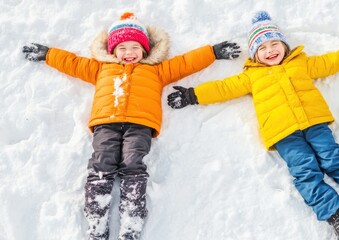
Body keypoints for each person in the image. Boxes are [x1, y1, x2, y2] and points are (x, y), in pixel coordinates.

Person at [167, 11, 339, 240]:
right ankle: (337, 218)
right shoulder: (251, 76)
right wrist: (192, 95)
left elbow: (331, 61)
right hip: (283, 134)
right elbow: (223, 88)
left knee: (334, 160)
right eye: (262, 48)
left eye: (274, 43)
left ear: (284, 45)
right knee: (305, 172)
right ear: (255, 55)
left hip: (314, 123)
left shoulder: (300, 63)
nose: (269, 50)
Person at [22, 12, 240, 240]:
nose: (129, 53)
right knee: (101, 163)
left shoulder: (156, 71)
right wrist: (48, 54)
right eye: (122, 48)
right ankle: (96, 226)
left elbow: (185, 63)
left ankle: (131, 225)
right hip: (106, 123)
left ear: (145, 50)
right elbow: (73, 63)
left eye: (135, 47)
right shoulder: (101, 68)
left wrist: (212, 52)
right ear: (112, 50)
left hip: (140, 124)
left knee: (133, 163)